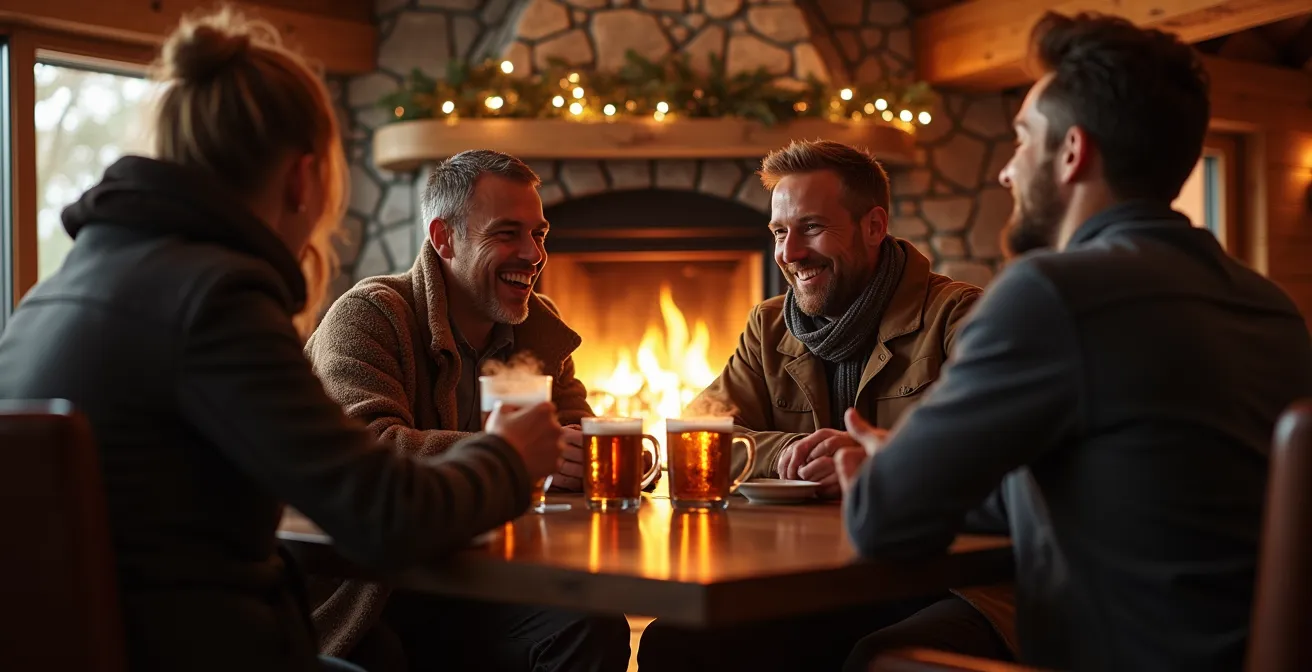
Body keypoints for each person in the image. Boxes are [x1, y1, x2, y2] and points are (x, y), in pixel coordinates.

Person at [0, 8, 568, 672]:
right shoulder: (214, 303)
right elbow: (384, 515)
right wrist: (508, 457)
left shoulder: (54, 295)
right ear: (302, 179)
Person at [837, 11, 1312, 672]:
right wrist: (918, 461)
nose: (1006, 172)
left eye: (1021, 140)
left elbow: (882, 523)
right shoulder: (1271, 304)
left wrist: (884, 476)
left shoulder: (1052, 294)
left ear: (1071, 153)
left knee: (878, 663)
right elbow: (1121, 485)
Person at [637, 140, 1016, 672]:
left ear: (874, 226)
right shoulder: (768, 325)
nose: (789, 253)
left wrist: (876, 464)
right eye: (778, 232)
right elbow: (700, 435)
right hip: (810, 580)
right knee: (674, 642)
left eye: (811, 227)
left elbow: (996, 462)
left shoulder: (962, 317)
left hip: (950, 583)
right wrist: (791, 450)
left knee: (878, 659)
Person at [303, 150, 630, 671]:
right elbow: (369, 449)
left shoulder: (538, 328)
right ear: (444, 237)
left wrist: (579, 457)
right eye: (507, 234)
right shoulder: (368, 316)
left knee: (592, 625)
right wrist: (510, 455)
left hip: (487, 578)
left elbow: (574, 431)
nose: (533, 254)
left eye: (539, 234)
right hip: (376, 588)